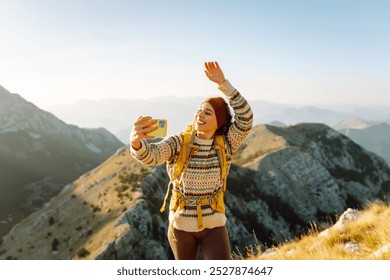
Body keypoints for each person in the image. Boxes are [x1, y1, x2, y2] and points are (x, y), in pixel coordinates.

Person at [130, 61, 253, 260]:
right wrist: (136, 143)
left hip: (214, 226)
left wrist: (224, 84)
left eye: (208, 112)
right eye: (199, 110)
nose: (200, 114)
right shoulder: (180, 142)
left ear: (219, 122)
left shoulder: (226, 144)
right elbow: (152, 156)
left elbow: (245, 119)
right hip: (180, 227)